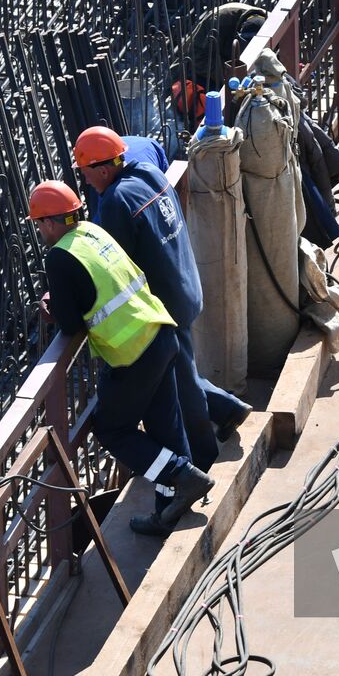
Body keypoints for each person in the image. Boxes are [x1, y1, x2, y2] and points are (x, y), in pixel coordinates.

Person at [31, 179, 214, 537]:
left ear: (49, 222)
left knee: (111, 429)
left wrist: (51, 308)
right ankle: (168, 510)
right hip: (160, 330)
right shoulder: (93, 232)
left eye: (39, 224)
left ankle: (181, 475)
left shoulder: (59, 256)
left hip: (134, 352)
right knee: (165, 425)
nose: (39, 231)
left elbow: (70, 323)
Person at [73, 127, 252, 458]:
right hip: (187, 285)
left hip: (165, 306)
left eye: (85, 172)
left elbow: (110, 264)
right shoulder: (148, 172)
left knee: (183, 387)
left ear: (103, 169)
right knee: (182, 368)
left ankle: (203, 457)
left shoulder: (115, 201)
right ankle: (227, 408)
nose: (85, 181)